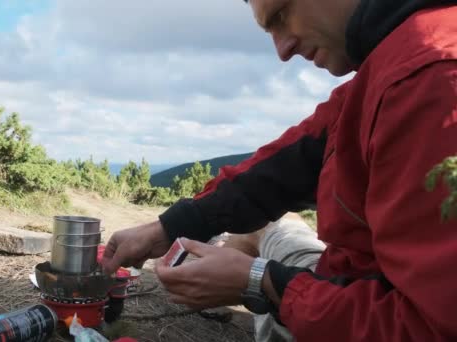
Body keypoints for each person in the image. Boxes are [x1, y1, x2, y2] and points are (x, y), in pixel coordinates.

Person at [101, 0, 457, 341]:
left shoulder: (428, 80)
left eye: (282, 13)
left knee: (258, 242)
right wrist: (168, 227)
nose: (282, 50)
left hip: (336, 313)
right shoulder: (389, 65)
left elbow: (428, 327)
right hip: (330, 289)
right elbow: (282, 168)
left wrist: (261, 283)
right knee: (262, 229)